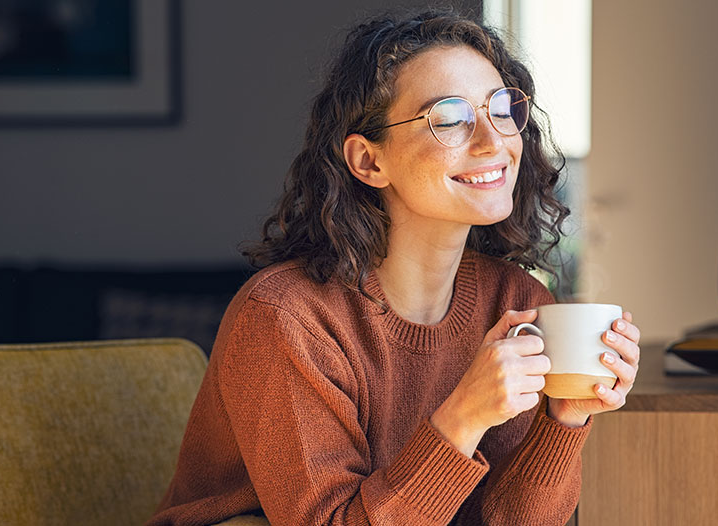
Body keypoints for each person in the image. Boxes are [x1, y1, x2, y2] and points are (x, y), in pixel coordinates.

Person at [148, 8, 641, 526]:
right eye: (449, 118)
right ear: (368, 161)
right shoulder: (286, 319)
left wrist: (565, 418)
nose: (493, 142)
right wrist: (462, 417)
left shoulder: (517, 304)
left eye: (501, 109)